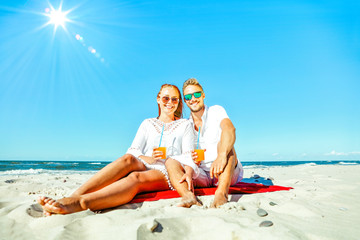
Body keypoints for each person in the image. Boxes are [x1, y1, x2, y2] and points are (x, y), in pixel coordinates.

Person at [38, 84, 198, 215]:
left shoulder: (185, 125)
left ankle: (80, 203)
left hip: (167, 169)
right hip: (147, 163)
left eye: (174, 99)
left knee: (136, 177)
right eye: (166, 98)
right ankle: (73, 196)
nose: (169, 102)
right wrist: (147, 157)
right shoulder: (147, 123)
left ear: (178, 102)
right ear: (158, 99)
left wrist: (169, 157)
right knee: (126, 159)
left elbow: (187, 156)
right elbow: (133, 149)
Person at [165, 78, 243, 208]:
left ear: (203, 95)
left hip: (224, 171)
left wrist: (221, 155)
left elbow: (230, 129)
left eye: (196, 94)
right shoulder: (185, 124)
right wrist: (189, 163)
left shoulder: (216, 111)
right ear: (185, 100)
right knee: (170, 161)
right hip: (202, 173)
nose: (193, 99)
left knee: (227, 145)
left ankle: (221, 194)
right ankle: (188, 196)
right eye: (188, 96)